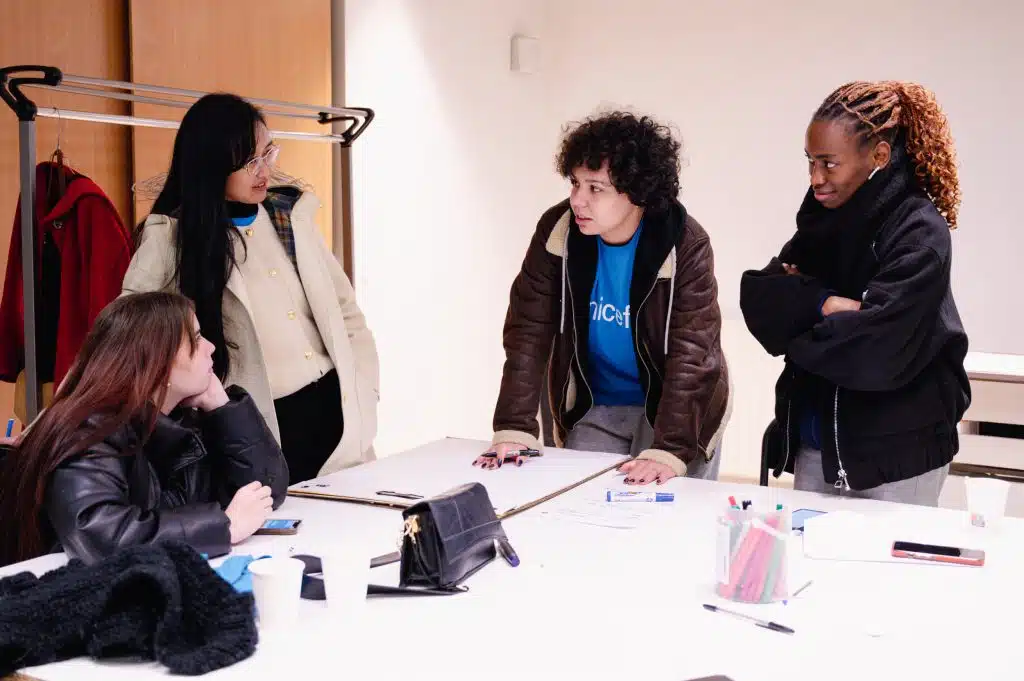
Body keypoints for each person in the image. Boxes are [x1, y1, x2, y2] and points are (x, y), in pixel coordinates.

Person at [122, 93, 379, 484]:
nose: (264, 171)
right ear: (213, 164)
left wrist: (367, 389)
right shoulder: (172, 238)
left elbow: (346, 312)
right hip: (260, 427)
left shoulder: (290, 218)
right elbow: (124, 338)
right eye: (250, 161)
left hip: (336, 414)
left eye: (268, 154)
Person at [740, 81, 970, 506]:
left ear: (878, 156)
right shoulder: (822, 218)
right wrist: (826, 305)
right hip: (818, 447)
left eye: (829, 163)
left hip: (897, 459)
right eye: (810, 162)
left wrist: (798, 322)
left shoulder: (918, 231)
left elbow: (875, 352)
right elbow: (759, 298)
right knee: (810, 569)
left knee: (885, 574)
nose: (815, 179)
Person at [479, 111, 732, 485]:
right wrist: (515, 426)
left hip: (673, 409)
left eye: (595, 188)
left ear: (637, 192)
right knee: (580, 506)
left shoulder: (684, 243)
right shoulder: (558, 231)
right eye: (575, 183)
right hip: (596, 403)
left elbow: (692, 353)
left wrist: (671, 450)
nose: (577, 200)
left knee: (669, 518)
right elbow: (528, 329)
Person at [0, 292, 289, 567]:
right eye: (197, 338)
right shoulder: (89, 430)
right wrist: (224, 527)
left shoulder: (182, 419)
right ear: (158, 362)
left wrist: (221, 406)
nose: (211, 347)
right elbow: (101, 535)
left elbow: (266, 491)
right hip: (70, 599)